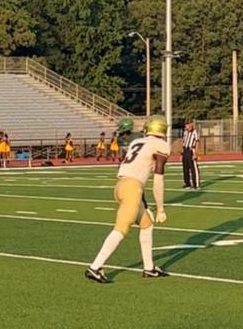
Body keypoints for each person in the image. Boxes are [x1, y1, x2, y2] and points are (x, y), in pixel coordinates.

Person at [85, 115, 171, 284]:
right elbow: (158, 178)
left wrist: (144, 203)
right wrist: (160, 209)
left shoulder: (137, 142)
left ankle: (149, 268)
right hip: (132, 188)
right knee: (121, 229)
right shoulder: (161, 145)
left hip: (122, 185)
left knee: (146, 224)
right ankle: (95, 267)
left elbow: (136, 172)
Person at [181, 121, 200, 189]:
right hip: (185, 150)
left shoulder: (195, 132)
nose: (186, 128)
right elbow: (183, 142)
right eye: (186, 126)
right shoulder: (185, 132)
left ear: (190, 126)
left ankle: (196, 184)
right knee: (185, 168)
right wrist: (182, 153)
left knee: (193, 168)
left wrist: (196, 153)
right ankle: (187, 183)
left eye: (187, 126)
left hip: (191, 150)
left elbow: (197, 142)